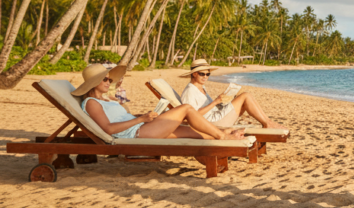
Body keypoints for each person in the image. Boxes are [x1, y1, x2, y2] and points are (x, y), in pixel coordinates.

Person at [75, 64, 245, 141]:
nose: (108, 82)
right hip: (136, 133)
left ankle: (225, 134)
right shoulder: (92, 103)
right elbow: (109, 129)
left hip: (140, 127)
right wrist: (141, 120)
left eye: (108, 79)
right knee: (186, 108)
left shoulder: (106, 100)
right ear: (93, 83)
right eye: (104, 79)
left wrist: (143, 116)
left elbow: (121, 118)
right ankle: (223, 135)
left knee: (190, 131)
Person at [179, 59, 287, 130]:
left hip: (216, 116)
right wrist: (216, 101)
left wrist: (224, 101)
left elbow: (209, 108)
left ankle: (267, 122)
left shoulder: (201, 87)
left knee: (243, 98)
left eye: (208, 74)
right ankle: (267, 123)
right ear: (194, 74)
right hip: (213, 123)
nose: (205, 77)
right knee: (245, 96)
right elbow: (192, 115)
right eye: (202, 74)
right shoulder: (190, 91)